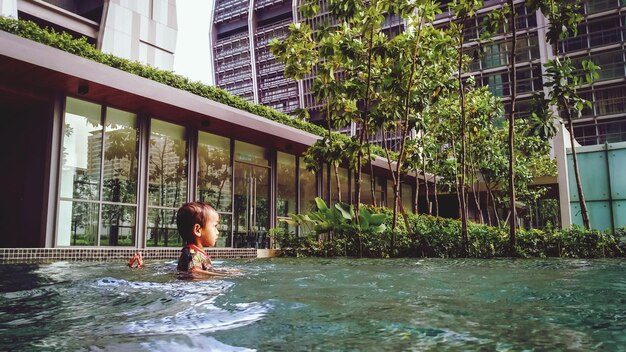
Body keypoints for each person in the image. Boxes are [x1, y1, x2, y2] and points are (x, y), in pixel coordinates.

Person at [175, 202, 226, 277]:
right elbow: (195, 272)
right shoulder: (192, 253)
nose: (217, 232)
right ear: (198, 230)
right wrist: (223, 275)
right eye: (215, 226)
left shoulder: (196, 252)